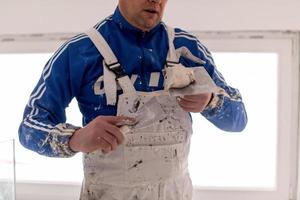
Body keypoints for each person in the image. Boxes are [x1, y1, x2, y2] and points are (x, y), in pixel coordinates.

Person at [19, 0, 247, 199]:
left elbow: (239, 119)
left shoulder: (187, 49)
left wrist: (211, 102)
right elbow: (30, 125)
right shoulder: (79, 51)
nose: (155, 0)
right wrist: (75, 138)